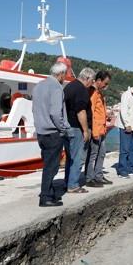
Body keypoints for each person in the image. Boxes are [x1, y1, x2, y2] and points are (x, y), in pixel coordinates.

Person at [32, 62, 72, 207]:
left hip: (41, 132)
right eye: (65, 74)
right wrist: (63, 128)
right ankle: (45, 197)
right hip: (53, 133)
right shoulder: (56, 87)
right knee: (52, 166)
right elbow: (55, 113)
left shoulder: (38, 86)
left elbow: (35, 110)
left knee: (47, 164)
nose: (65, 77)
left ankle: (49, 192)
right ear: (61, 74)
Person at [63, 67, 95, 193]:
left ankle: (68, 182)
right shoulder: (81, 90)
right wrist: (86, 130)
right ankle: (73, 185)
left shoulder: (69, 86)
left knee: (70, 157)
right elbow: (81, 111)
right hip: (76, 128)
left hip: (67, 127)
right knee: (78, 158)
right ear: (87, 78)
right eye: (91, 81)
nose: (91, 83)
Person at [85, 71, 113, 187]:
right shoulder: (93, 93)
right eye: (105, 84)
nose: (106, 86)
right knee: (93, 154)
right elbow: (91, 112)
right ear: (99, 80)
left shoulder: (100, 93)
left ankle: (98, 175)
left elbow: (99, 111)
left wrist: (106, 115)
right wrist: (94, 131)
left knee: (101, 154)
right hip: (96, 129)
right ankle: (89, 178)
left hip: (102, 129)